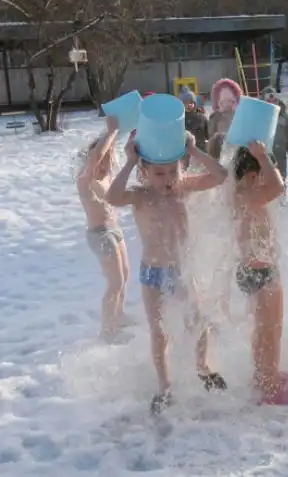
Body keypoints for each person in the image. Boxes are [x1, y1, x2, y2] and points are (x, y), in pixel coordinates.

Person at [106, 131, 230, 414]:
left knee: (197, 321)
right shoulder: (140, 196)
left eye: (172, 171)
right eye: (159, 174)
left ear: (181, 168)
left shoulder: (184, 187)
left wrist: (194, 152)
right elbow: (112, 197)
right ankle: (164, 386)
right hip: (153, 274)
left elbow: (220, 176)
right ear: (145, 172)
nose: (167, 180)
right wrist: (128, 162)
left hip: (181, 270)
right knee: (159, 332)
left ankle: (203, 367)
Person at [231, 142, 288, 405]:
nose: (265, 176)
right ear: (252, 174)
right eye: (261, 172)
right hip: (261, 270)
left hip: (251, 269)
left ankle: (263, 374)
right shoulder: (250, 194)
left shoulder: (240, 194)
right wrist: (263, 157)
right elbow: (279, 186)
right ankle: (270, 386)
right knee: (272, 331)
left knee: (263, 329)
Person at [76, 116, 132, 343]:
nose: (108, 161)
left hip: (114, 229)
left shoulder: (106, 177)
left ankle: (118, 316)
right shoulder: (85, 179)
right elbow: (95, 157)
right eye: (105, 157)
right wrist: (111, 132)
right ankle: (107, 330)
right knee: (115, 282)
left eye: (110, 157)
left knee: (125, 275)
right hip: (99, 234)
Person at [262, 88, 288, 205]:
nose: (271, 99)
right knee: (266, 172)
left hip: (280, 147)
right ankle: (267, 196)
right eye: (269, 97)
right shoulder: (261, 111)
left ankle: (281, 196)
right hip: (265, 148)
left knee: (281, 172)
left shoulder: (283, 111)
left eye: (273, 96)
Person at [208, 78, 243, 159]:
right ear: (219, 102)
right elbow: (211, 137)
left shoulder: (239, 116)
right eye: (224, 101)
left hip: (238, 153)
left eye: (230, 101)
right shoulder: (215, 117)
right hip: (220, 153)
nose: (227, 104)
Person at [181, 89, 209, 168]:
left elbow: (209, 134)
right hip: (185, 154)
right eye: (185, 103)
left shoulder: (201, 117)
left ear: (195, 103)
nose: (188, 105)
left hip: (200, 151)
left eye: (191, 102)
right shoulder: (180, 119)